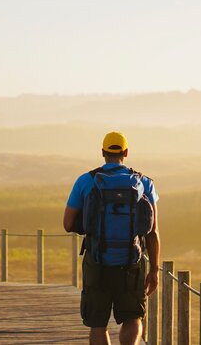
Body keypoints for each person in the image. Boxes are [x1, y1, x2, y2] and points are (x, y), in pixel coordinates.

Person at [63, 131, 160, 345]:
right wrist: (154, 270)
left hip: (97, 262)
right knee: (133, 318)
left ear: (103, 153)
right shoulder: (144, 183)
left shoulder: (86, 181)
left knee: (98, 323)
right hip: (130, 263)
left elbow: (68, 224)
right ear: (126, 152)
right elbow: (152, 232)